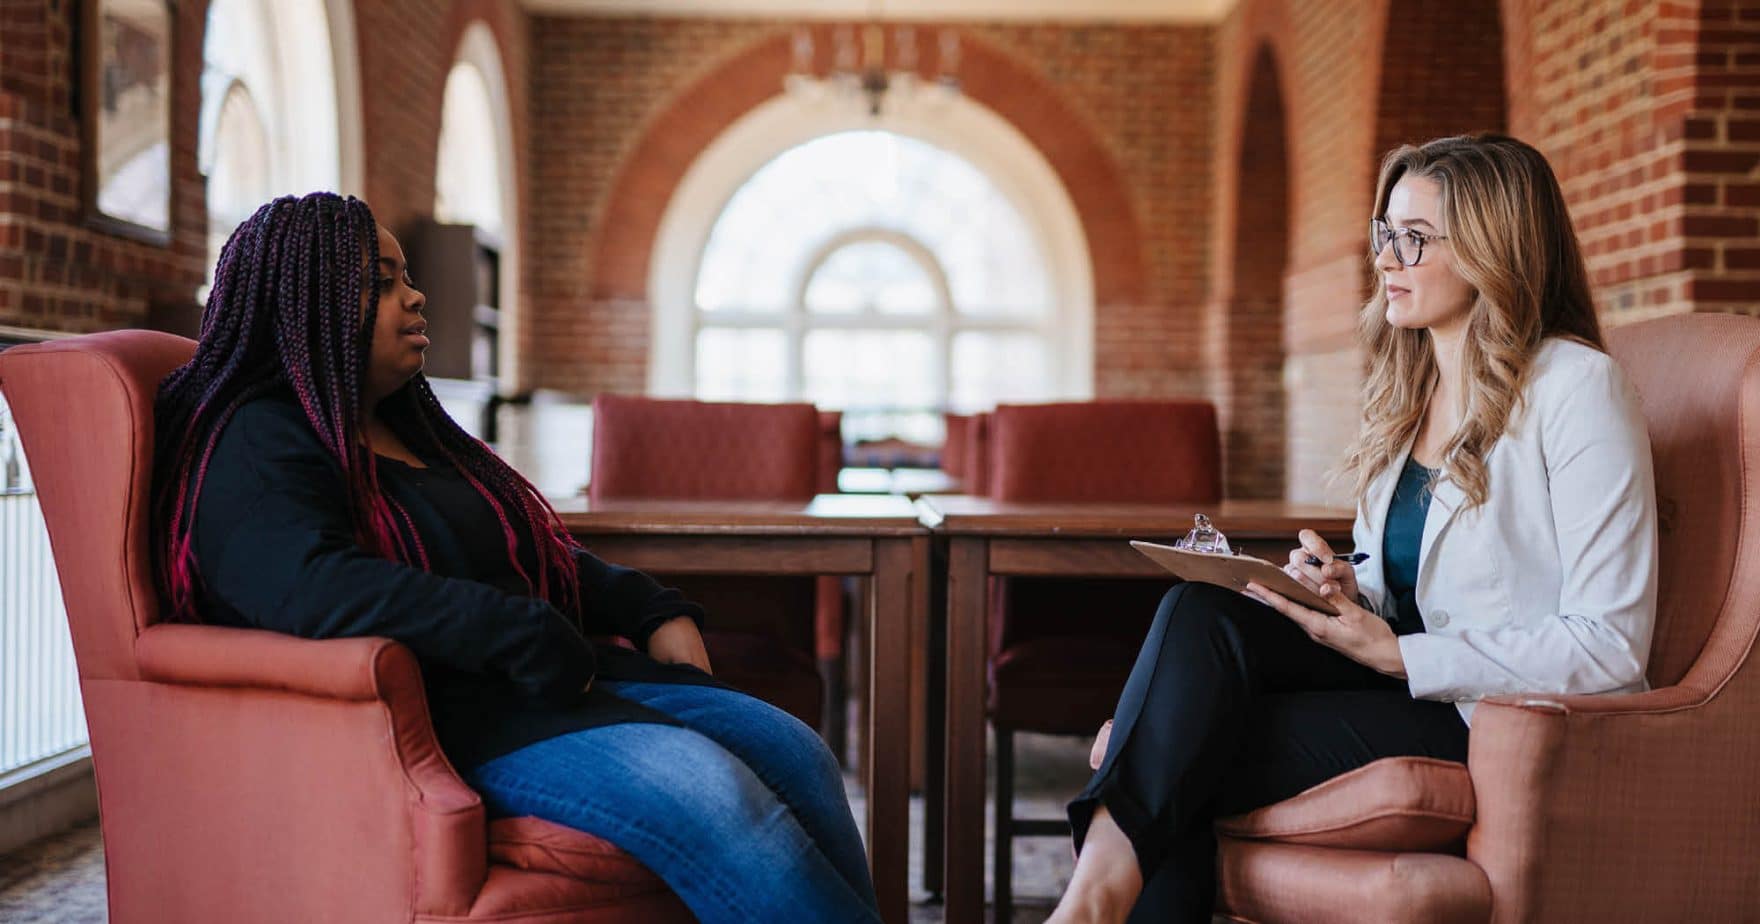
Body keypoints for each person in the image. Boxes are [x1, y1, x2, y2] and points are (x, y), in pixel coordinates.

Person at [148, 192, 881, 924]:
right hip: (452, 718)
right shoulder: (257, 437)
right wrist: (520, 632)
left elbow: (530, 549)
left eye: (406, 277)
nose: (416, 295)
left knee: (797, 751)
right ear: (306, 301)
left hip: (548, 688)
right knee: (715, 794)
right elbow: (306, 587)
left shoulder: (407, 428)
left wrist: (645, 604)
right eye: (383, 281)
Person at [1047, 133, 1659, 923]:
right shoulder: (1410, 395)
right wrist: (1347, 592)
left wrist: (1400, 653)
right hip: (1400, 677)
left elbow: (1611, 644)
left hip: (1490, 714)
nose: (1387, 259)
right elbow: (1416, 584)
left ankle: (1093, 903)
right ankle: (1093, 901)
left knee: (1174, 744)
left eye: (1415, 238)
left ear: (1493, 249)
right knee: (1202, 612)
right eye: (1384, 234)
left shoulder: (1578, 388)